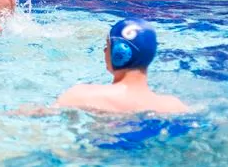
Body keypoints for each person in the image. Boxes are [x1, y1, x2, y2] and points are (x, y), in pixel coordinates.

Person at [55, 18, 189, 114]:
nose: (104, 51)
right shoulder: (174, 106)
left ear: (120, 51)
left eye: (108, 46)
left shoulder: (81, 96)